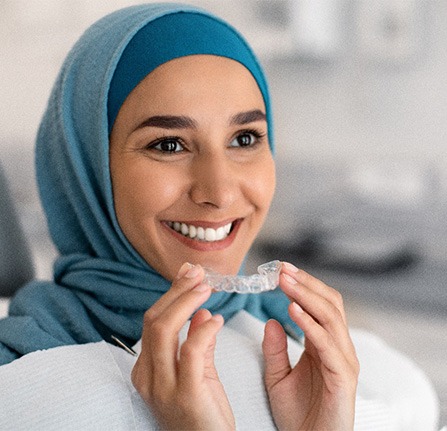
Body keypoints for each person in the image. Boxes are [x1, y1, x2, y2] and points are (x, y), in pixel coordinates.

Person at [0, 2, 367, 429]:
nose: (220, 192)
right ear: (85, 168)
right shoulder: (22, 379)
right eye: (169, 145)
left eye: (244, 138)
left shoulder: (303, 346)